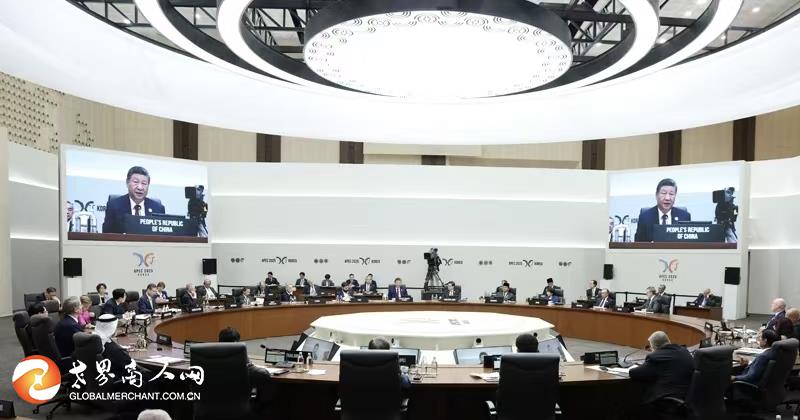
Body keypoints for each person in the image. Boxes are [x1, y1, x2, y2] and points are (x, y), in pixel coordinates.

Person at [629, 331, 694, 406]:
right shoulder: (684, 351)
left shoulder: (655, 356)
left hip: (668, 400)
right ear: (668, 341)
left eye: (651, 348)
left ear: (655, 347)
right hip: (687, 397)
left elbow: (634, 373)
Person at [218, 327, 273, 412]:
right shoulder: (242, 364)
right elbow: (264, 374)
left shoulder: (208, 361)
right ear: (236, 343)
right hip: (239, 409)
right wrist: (247, 361)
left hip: (208, 409)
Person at [102, 166, 166, 233]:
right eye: (136, 182)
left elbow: (162, 235)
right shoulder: (114, 206)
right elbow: (106, 234)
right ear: (127, 183)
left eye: (144, 183)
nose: (140, 187)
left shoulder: (158, 208)